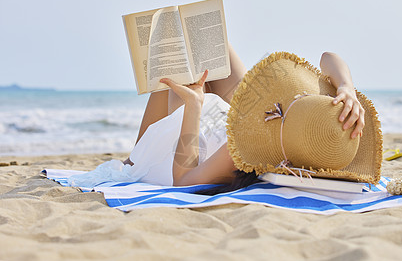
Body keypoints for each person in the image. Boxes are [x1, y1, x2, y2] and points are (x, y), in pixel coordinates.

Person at [68, 44, 379, 192]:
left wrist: (194, 107)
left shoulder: (245, 148)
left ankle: (134, 160)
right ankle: (135, 156)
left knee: (179, 76)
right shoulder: (327, 132)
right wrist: (346, 89)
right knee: (210, 50)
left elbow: (183, 179)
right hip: (244, 119)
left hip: (186, 148)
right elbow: (329, 57)